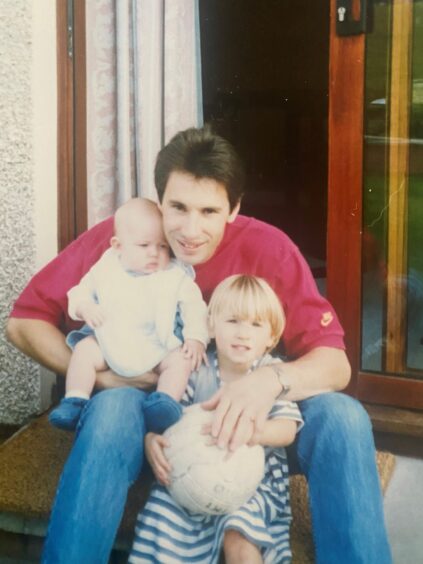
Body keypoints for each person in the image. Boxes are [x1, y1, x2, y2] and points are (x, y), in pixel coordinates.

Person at [6, 126, 392, 563]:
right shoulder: (124, 240)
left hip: (244, 413)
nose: (190, 230)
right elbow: (23, 324)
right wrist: (104, 376)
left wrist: (268, 381)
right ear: (158, 200)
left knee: (343, 416)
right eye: (178, 208)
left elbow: (335, 365)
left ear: (234, 209)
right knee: (112, 409)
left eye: (209, 211)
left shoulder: (270, 249)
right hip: (148, 410)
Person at [130, 274, 304, 564]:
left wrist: (250, 433)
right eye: (233, 321)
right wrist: (152, 440)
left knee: (240, 535)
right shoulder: (196, 370)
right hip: (190, 473)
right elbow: (168, 419)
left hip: (252, 483)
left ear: (271, 337)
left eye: (256, 324)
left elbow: (287, 430)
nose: (243, 333)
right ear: (211, 326)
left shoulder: (269, 373)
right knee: (161, 515)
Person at [48, 198, 208, 433]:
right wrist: (85, 306)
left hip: (157, 347)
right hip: (110, 342)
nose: (154, 253)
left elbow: (195, 307)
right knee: (84, 350)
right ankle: (75, 400)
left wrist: (196, 338)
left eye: (163, 246)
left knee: (180, 360)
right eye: (144, 245)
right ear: (118, 245)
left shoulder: (174, 275)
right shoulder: (107, 267)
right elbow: (79, 292)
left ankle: (164, 402)